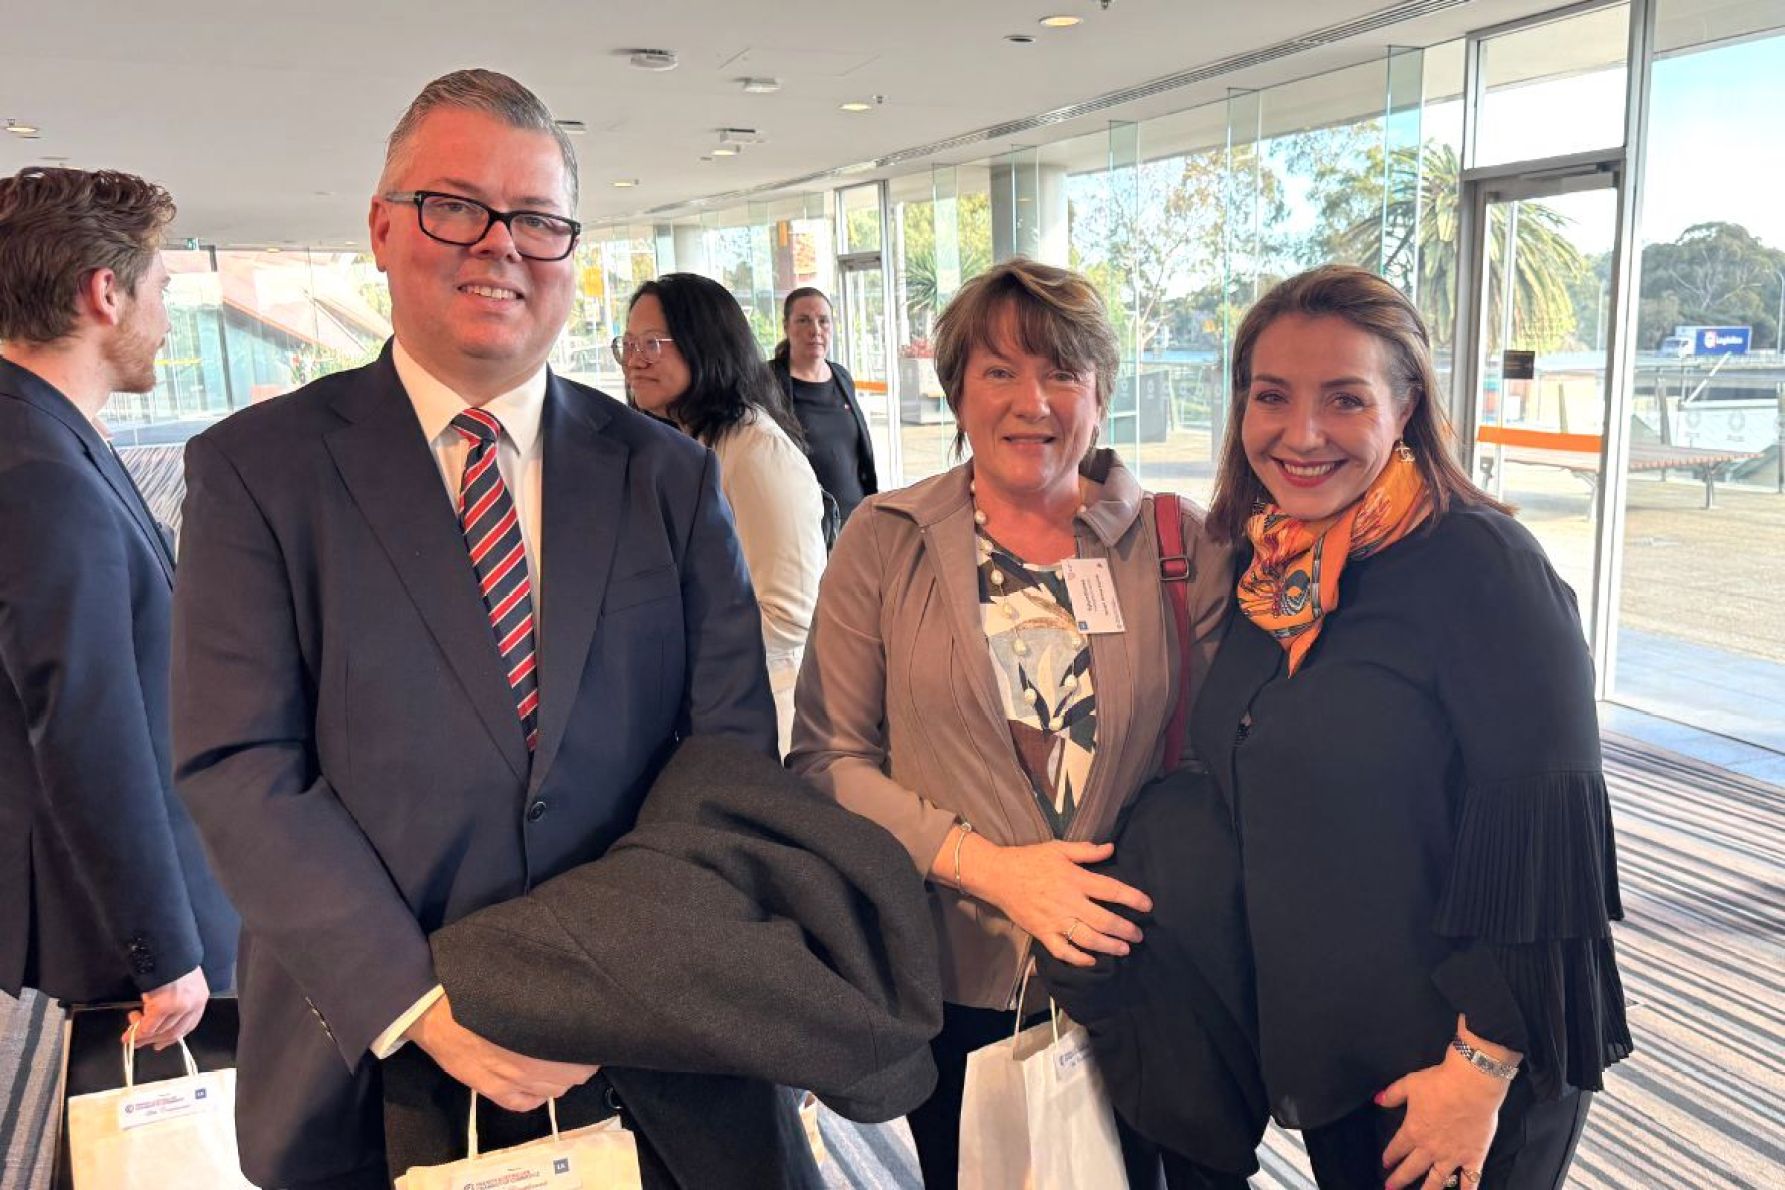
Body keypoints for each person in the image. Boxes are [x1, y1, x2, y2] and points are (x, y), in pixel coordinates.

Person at [171, 70, 777, 1189]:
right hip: (374, 1051)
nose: (500, 244)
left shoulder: (668, 478)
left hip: (649, 1049)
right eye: (456, 206)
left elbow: (729, 753)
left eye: (538, 219)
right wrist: (420, 1000)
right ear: (382, 227)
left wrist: (607, 981)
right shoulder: (259, 472)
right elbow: (241, 764)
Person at [789, 258, 1231, 1188]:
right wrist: (993, 870)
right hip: (957, 967)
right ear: (956, 391)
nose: (1032, 402)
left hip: (1135, 966)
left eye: (1062, 372)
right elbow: (828, 759)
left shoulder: (1177, 543)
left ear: (1101, 394)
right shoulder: (886, 539)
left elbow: (1219, 757)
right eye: (999, 371)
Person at [1189, 264, 1632, 1190]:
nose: (1300, 433)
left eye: (1343, 399)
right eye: (1271, 396)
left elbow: (1549, 841)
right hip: (1341, 1048)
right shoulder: (1274, 567)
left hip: (1456, 1067)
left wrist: (1477, 1071)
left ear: (1405, 408)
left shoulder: (1480, 565)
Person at [0, 167, 236, 1049]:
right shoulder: (40, 469)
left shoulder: (42, 434)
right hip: (130, 905)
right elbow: (84, 724)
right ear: (106, 293)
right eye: (160, 290)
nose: (166, 320)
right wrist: (161, 948)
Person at [623, 272, 826, 756]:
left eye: (652, 343)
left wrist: (676, 654)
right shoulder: (676, 443)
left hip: (764, 716)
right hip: (701, 710)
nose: (635, 359)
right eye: (628, 344)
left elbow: (791, 615)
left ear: (704, 344)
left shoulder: (756, 451)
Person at [770, 286, 877, 525]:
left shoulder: (841, 377)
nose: (815, 330)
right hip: (803, 524)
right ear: (786, 327)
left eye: (823, 321)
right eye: (803, 320)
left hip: (856, 521)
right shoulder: (767, 382)